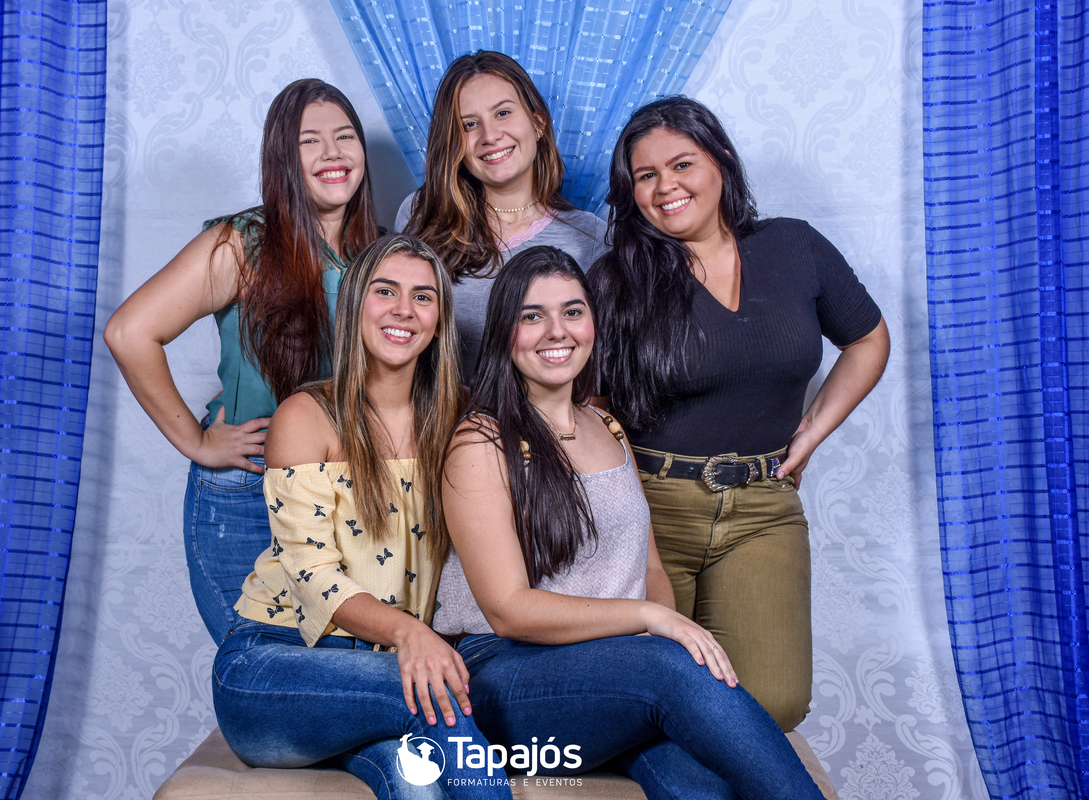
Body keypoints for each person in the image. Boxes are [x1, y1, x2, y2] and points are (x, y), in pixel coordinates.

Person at [436, 246, 828, 800]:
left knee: (699, 782)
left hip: (610, 673)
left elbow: (650, 569)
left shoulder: (608, 425)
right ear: (504, 333)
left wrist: (650, 625)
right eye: (532, 316)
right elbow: (508, 609)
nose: (557, 331)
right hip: (504, 676)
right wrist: (649, 621)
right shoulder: (481, 441)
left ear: (593, 323)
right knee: (669, 667)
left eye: (573, 311)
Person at [588, 97, 891, 732]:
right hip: (651, 505)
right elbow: (586, 408)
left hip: (763, 506)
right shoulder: (617, 279)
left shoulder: (794, 246)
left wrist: (813, 431)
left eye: (682, 164)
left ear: (721, 160)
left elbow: (868, 339)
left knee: (773, 702)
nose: (666, 186)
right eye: (646, 176)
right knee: (650, 698)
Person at [212, 234, 512, 800]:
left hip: (388, 671)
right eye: (385, 291)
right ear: (355, 306)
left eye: (423, 297)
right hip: (274, 665)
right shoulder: (308, 415)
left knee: (416, 781)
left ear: (440, 322)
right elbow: (312, 575)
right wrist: (411, 633)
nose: (404, 309)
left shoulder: (465, 418)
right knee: (437, 693)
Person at [103, 79, 378, 644]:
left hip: (348, 494)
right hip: (248, 493)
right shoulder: (242, 243)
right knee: (258, 666)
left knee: (340, 667)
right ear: (282, 158)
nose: (332, 153)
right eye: (309, 141)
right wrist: (198, 442)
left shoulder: (381, 255)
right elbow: (129, 332)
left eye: (345, 136)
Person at [398, 50, 607, 379]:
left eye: (503, 113)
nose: (490, 135)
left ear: (538, 122)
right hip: (441, 410)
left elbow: (601, 373)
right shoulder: (421, 215)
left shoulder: (591, 237)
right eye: (469, 124)